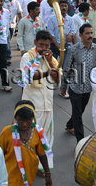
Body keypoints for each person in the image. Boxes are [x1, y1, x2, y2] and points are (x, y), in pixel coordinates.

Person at [18, 30, 59, 172]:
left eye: (47, 46)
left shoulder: (51, 59)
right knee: (30, 138)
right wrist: (48, 72)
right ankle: (28, 165)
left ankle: (43, 167)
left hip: (47, 106)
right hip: (32, 107)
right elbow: (29, 77)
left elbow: (58, 79)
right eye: (41, 45)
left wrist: (50, 64)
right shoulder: (27, 57)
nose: (44, 48)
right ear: (35, 43)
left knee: (47, 138)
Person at [0, 100, 53, 185]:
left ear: (33, 119)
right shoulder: (7, 132)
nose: (25, 125)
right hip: (9, 175)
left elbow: (42, 154)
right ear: (15, 118)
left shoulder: (38, 133)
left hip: (29, 174)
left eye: (28, 121)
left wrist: (47, 174)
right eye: (21, 121)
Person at [62, 23, 96, 140]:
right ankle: (80, 142)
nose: (90, 36)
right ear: (80, 35)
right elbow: (66, 68)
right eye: (87, 33)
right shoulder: (73, 49)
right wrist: (63, 85)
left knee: (80, 111)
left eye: (91, 33)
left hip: (88, 87)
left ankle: (69, 125)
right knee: (78, 115)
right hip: (75, 87)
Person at [4, 0, 23, 65]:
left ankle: (4, 53)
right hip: (4, 25)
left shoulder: (16, 3)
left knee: (8, 40)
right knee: (7, 41)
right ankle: (7, 57)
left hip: (12, 25)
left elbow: (19, 13)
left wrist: (21, 23)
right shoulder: (3, 2)